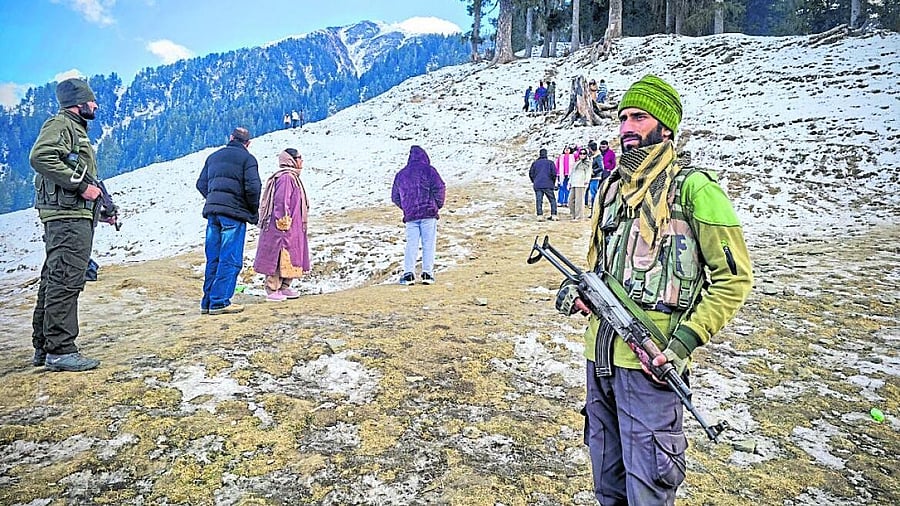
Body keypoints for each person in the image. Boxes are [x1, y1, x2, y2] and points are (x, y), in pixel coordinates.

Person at [569, 74, 753, 504]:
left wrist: (682, 343)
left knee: (649, 488)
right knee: (607, 484)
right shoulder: (613, 189)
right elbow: (601, 266)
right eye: (622, 118)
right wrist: (584, 293)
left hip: (651, 363)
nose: (626, 128)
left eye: (639, 118)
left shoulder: (695, 190)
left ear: (665, 126)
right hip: (600, 360)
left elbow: (733, 279)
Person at [29, 77, 106, 372]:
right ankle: (60, 350)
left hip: (70, 213)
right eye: (91, 100)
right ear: (78, 102)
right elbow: (40, 156)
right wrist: (79, 186)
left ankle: (43, 346)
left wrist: (100, 207)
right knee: (67, 279)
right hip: (67, 216)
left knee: (54, 277)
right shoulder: (61, 125)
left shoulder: (74, 129)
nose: (95, 105)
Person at [196, 127, 261, 315]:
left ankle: (207, 302)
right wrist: (251, 211)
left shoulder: (213, 157)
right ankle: (220, 301)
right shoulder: (248, 159)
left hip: (213, 213)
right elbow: (253, 188)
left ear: (231, 138)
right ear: (248, 143)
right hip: (233, 214)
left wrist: (214, 197)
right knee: (230, 258)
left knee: (213, 258)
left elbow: (201, 184)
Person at [253, 148, 310, 301]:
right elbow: (281, 200)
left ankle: (284, 286)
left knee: (291, 255)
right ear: (291, 160)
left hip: (293, 226)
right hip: (282, 226)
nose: (302, 161)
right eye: (299, 158)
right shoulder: (286, 178)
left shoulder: (293, 177)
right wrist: (283, 220)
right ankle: (272, 288)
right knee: (278, 255)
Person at [391, 145, 446, 286]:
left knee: (411, 244)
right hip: (428, 214)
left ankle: (408, 274)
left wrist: (406, 207)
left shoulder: (401, 174)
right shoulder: (429, 171)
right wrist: (436, 205)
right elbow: (440, 187)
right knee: (429, 244)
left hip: (411, 216)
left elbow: (395, 197)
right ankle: (427, 274)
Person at [528, 148, 558, 221]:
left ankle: (540, 215)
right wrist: (553, 182)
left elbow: (531, 174)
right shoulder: (550, 163)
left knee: (539, 200)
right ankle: (553, 214)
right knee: (552, 200)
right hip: (548, 184)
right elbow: (554, 174)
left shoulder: (535, 163)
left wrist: (534, 181)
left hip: (538, 184)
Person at [567, 146, 591, 220]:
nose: (582, 155)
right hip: (574, 183)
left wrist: (587, 181)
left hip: (581, 183)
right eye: (581, 153)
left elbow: (588, 172)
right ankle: (573, 214)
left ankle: (579, 216)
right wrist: (569, 182)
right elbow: (572, 173)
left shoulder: (588, 163)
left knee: (579, 201)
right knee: (570, 200)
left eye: (584, 153)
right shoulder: (576, 163)